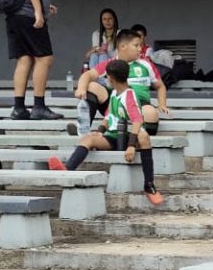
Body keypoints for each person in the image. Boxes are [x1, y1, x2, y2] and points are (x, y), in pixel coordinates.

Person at [49, 58, 165, 206]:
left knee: (144, 136)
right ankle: (67, 170)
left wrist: (131, 145)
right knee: (88, 139)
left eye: (107, 77)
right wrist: (100, 131)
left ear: (111, 78)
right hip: (113, 136)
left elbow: (137, 120)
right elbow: (108, 115)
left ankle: (149, 185)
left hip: (128, 136)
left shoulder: (129, 95)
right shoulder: (115, 93)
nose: (106, 79)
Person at [6, 0, 65, 121]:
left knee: (24, 59)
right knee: (44, 58)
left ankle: (18, 108)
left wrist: (45, 6)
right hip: (29, 17)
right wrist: (39, 12)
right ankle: (39, 106)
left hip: (15, 16)